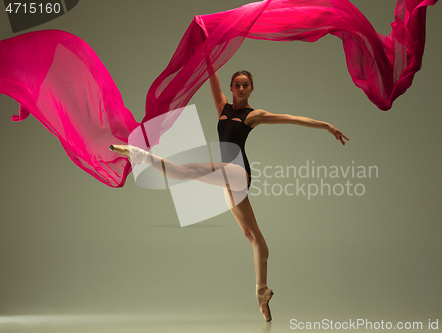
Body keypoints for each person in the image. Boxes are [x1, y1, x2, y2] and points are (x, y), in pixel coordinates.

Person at [112, 70, 349, 322]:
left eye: (246, 85)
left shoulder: (253, 115)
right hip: (226, 178)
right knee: (253, 236)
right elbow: (210, 74)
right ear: (232, 87)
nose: (241, 89)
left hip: (237, 172)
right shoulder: (222, 107)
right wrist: (206, 46)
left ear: (252, 88)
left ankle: (137, 154)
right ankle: (262, 292)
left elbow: (290, 119)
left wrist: (326, 126)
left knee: (184, 171)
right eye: (237, 85)